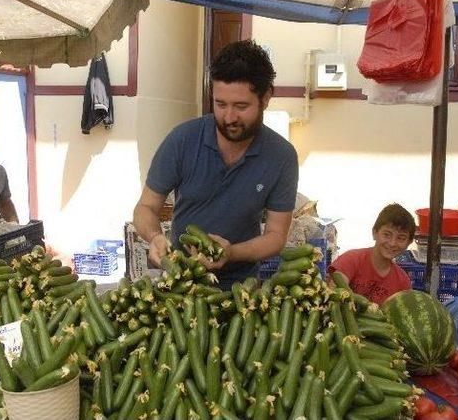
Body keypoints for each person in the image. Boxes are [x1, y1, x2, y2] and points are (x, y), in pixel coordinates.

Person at [133, 40, 299, 288]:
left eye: (241, 106)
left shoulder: (282, 156)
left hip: (242, 289)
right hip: (182, 280)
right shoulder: (182, 140)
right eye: (220, 104)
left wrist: (231, 253)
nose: (229, 117)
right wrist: (155, 237)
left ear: (266, 98)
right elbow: (145, 207)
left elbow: (275, 237)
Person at [328, 203, 416, 304]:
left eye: (401, 238)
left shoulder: (403, 282)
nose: (392, 243)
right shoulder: (351, 259)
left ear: (409, 243)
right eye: (387, 234)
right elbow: (334, 290)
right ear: (374, 233)